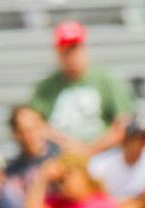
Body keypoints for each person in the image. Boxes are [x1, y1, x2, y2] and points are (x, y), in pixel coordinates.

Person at [26, 22, 132, 157]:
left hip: (103, 156)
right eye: (66, 49)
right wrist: (66, 144)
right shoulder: (44, 87)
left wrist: (90, 150)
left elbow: (123, 124)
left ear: (83, 47)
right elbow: (34, 124)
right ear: (58, 51)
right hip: (59, 156)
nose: (71, 54)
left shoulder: (106, 80)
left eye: (74, 47)